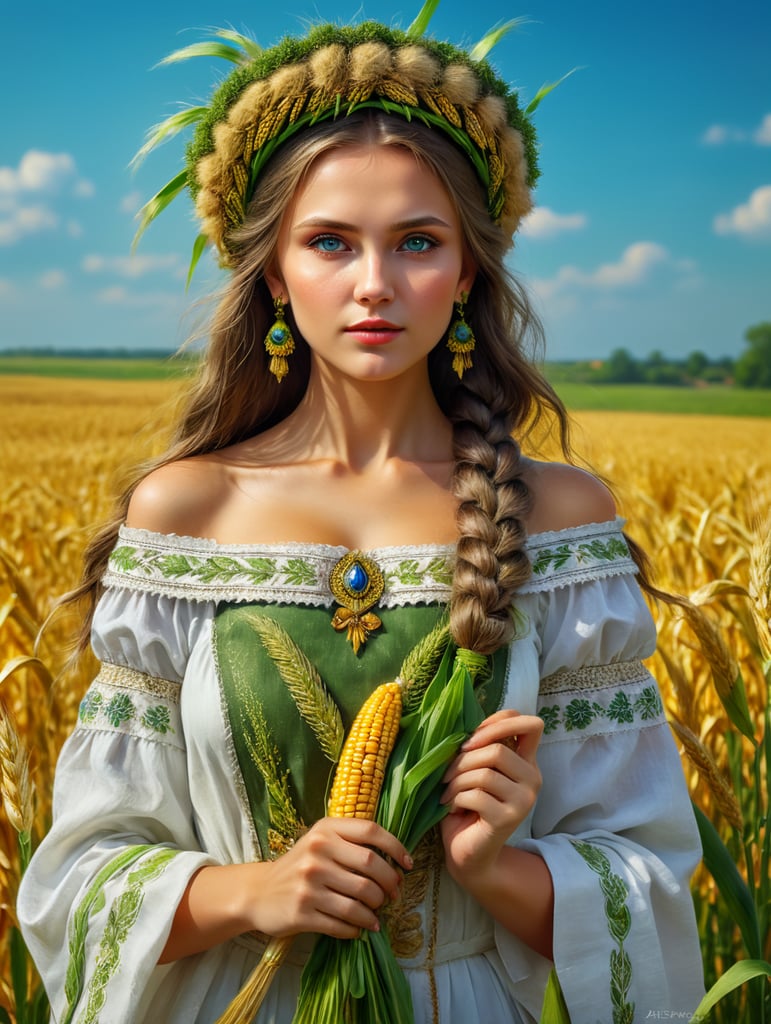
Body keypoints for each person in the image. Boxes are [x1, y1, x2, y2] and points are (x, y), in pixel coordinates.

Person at [18, 12, 706, 1023]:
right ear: (276, 274)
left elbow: (647, 870)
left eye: (418, 242)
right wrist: (256, 890)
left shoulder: (559, 519)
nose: (375, 285)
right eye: (330, 242)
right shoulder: (188, 510)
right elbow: (81, 873)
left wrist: (493, 865)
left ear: (467, 271)